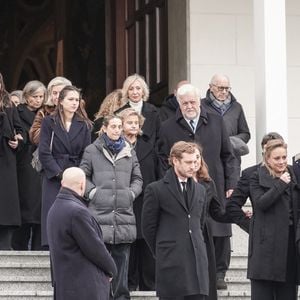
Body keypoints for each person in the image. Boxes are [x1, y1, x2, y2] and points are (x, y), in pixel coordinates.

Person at [157, 83, 237, 289]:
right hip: (182, 189)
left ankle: (219, 272)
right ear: (179, 104)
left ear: (199, 102)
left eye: (193, 102)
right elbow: (161, 159)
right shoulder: (167, 127)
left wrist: (231, 183)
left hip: (213, 184)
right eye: (185, 103)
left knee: (218, 228)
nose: (189, 106)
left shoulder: (216, 121)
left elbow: (228, 155)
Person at [80, 114, 143, 300]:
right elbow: (83, 175)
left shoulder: (129, 150)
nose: (117, 130)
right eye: (113, 126)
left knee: (122, 260)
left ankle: (121, 296)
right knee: (99, 260)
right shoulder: (92, 150)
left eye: (119, 127)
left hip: (124, 214)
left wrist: (131, 193)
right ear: (105, 128)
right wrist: (93, 194)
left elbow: (138, 178)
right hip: (99, 214)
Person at [142, 141, 209, 300]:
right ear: (175, 160)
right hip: (171, 262)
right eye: (188, 162)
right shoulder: (156, 189)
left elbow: (200, 223)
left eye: (195, 162)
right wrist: (164, 250)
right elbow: (148, 228)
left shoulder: (200, 190)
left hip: (197, 262)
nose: (193, 166)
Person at [47, 167, 117, 300]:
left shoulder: (54, 209)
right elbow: (95, 249)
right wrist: (112, 269)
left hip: (66, 286)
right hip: (83, 287)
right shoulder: (77, 212)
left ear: (62, 183)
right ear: (82, 185)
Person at [39, 85, 91, 248]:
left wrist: (77, 175)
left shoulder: (84, 125)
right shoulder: (49, 122)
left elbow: (86, 153)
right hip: (54, 174)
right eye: (70, 99)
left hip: (76, 173)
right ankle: (50, 243)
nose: (74, 103)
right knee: (52, 209)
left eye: (77, 100)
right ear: (60, 102)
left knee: (74, 211)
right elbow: (44, 152)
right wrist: (59, 174)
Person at [248, 139, 300, 299]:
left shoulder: (294, 174)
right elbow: (260, 204)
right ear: (267, 159)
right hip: (265, 250)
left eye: (284, 157)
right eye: (277, 158)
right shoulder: (256, 176)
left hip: (289, 247)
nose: (282, 162)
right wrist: (281, 184)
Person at [117, 108, 157, 291]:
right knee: (128, 242)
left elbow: (157, 171)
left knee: (146, 241)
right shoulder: (115, 145)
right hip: (124, 200)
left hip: (146, 199)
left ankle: (148, 285)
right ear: (122, 125)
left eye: (136, 123)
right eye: (129, 123)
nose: (133, 126)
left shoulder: (149, 145)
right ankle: (130, 284)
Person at [193, 144, 232, 300]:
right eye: (191, 158)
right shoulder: (173, 183)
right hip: (183, 238)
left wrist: (235, 215)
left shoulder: (208, 182)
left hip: (203, 235)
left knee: (206, 279)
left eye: (197, 157)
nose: (195, 161)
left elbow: (217, 212)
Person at [226, 132, 284, 233]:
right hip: (262, 239)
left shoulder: (290, 173)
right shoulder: (250, 174)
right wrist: (252, 227)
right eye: (269, 150)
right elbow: (232, 206)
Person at [13, 80, 46, 250]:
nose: (38, 100)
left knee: (39, 209)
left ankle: (38, 247)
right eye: (35, 96)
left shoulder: (45, 114)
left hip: (41, 165)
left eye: (41, 96)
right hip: (25, 163)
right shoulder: (17, 113)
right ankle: (19, 246)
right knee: (25, 208)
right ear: (26, 96)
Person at [201, 74, 250, 178]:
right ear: (210, 87)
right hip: (209, 159)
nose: (224, 92)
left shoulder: (237, 107)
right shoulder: (201, 106)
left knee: (232, 191)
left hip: (232, 158)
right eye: (220, 88)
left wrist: (228, 141)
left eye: (227, 89)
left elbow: (245, 134)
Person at [0, 72, 23, 249]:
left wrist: (18, 139)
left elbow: (19, 129)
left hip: (5, 160)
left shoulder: (8, 105)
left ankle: (5, 245)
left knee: (6, 203)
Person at [116, 74, 160, 155]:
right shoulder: (119, 113)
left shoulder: (154, 111)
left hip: (150, 157)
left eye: (138, 88)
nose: (135, 92)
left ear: (143, 91)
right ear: (127, 92)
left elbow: (159, 137)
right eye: (131, 89)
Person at [29, 76, 72, 145]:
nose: (58, 96)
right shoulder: (44, 111)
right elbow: (34, 138)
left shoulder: (77, 110)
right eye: (54, 93)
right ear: (50, 94)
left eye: (61, 93)